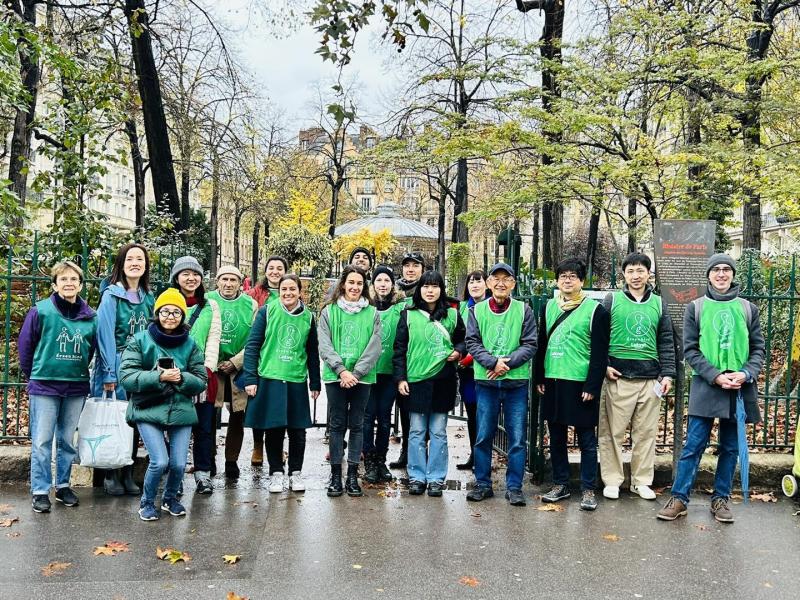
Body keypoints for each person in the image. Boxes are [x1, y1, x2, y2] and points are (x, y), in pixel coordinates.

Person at [658, 253, 765, 524]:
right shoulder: (696, 307)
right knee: (693, 445)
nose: (721, 274)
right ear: (708, 275)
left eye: (726, 270)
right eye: (716, 269)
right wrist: (715, 376)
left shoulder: (748, 309)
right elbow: (690, 350)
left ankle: (721, 498)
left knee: (729, 448)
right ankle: (679, 498)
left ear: (732, 274)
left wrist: (745, 373)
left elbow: (758, 350)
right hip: (707, 385)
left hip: (738, 388)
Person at [119, 288, 207, 521]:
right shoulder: (140, 340)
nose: (170, 316)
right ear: (157, 313)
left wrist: (181, 378)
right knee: (159, 461)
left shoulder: (191, 344)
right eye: (165, 311)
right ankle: (147, 502)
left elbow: (200, 380)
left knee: (178, 464)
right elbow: (126, 377)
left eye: (176, 312)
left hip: (180, 409)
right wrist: (158, 376)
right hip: (148, 408)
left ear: (182, 316)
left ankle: (170, 499)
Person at [19, 261, 98, 513]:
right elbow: (26, 347)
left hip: (75, 387)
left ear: (81, 285)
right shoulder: (40, 311)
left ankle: (63, 485)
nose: (69, 283)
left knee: (66, 440)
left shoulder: (90, 317)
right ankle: (40, 490)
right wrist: (36, 374)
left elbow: (91, 349)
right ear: (55, 284)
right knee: (42, 440)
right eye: (63, 279)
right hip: (45, 386)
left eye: (74, 279)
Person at [599, 252, 676, 501]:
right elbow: (599, 338)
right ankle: (612, 480)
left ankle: (641, 481)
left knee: (646, 433)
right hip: (618, 378)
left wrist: (667, 374)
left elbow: (666, 341)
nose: (636, 276)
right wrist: (605, 366)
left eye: (640, 270)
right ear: (624, 274)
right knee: (612, 432)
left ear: (648, 274)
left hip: (649, 379)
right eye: (631, 271)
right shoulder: (612, 301)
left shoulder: (659, 303)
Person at [535, 257, 609, 511]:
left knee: (586, 438)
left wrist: (592, 385)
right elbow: (542, 343)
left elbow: (600, 353)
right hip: (554, 379)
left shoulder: (595, 311)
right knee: (556, 436)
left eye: (573, 276)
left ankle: (589, 489)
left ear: (581, 281)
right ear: (557, 280)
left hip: (579, 383)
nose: (567, 280)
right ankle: (561, 484)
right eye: (563, 276)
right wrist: (540, 377)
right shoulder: (548, 307)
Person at [465, 263, 537, 506]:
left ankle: (514, 487)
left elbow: (530, 343)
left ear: (513, 284)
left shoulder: (523, 310)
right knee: (484, 435)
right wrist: (492, 363)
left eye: (506, 279)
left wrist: (506, 364)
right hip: (486, 382)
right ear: (488, 283)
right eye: (496, 278)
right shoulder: (477, 311)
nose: (501, 283)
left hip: (515, 383)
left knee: (517, 437)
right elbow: (472, 342)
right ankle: (483, 483)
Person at [243, 274, 321, 493]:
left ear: (299, 291)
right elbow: (253, 346)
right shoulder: (267, 311)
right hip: (270, 377)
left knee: (298, 430)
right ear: (278, 291)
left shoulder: (308, 316)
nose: (288, 293)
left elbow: (312, 351)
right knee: (274, 428)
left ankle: (295, 472)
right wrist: (250, 378)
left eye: (292, 289)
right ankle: (276, 472)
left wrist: (315, 381)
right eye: (283, 289)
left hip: (296, 378)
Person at [394, 271, 466, 496]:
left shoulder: (452, 315)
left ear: (441, 289)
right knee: (416, 431)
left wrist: (458, 352)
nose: (430, 290)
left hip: (442, 380)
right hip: (416, 381)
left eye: (435, 286)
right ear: (420, 289)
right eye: (426, 286)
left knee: (438, 431)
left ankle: (435, 478)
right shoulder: (408, 315)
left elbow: (463, 339)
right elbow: (399, 350)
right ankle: (416, 476)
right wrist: (401, 378)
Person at [92, 243, 154, 496]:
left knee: (135, 418)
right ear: (121, 263)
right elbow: (104, 333)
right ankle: (111, 472)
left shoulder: (148, 297)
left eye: (140, 259)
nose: (135, 263)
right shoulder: (111, 295)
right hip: (116, 361)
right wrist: (108, 371)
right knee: (115, 417)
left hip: (140, 365)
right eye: (130, 259)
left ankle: (128, 471)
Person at [318, 266, 382, 497]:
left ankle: (353, 475)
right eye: (351, 282)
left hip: (362, 379)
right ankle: (335, 475)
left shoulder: (372, 313)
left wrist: (356, 373)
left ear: (364, 286)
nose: (355, 287)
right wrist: (342, 370)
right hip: (336, 377)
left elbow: (375, 346)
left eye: (359, 283)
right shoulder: (329, 312)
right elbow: (324, 344)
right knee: (336, 425)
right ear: (343, 284)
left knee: (357, 425)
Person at [171, 256, 221, 494]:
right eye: (185, 274)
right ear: (176, 278)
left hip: (203, 374)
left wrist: (207, 368)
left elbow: (214, 338)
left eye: (195, 274)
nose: (191, 278)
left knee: (204, 427)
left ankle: (203, 473)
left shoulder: (210, 305)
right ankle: (176, 476)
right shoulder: (168, 301)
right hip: (174, 374)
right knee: (174, 426)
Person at [207, 265, 258, 479]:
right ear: (217, 281)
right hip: (212, 366)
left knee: (238, 415)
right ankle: (208, 458)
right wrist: (213, 360)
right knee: (209, 415)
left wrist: (236, 362)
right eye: (224, 279)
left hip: (238, 368)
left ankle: (231, 460)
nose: (228, 284)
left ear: (240, 283)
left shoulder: (250, 304)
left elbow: (256, 338)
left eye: (233, 280)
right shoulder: (207, 300)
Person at [363, 265, 404, 483]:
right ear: (373, 284)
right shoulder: (365, 308)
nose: (383, 284)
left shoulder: (400, 309)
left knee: (384, 418)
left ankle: (381, 460)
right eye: (379, 280)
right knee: (367, 418)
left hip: (389, 373)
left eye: (387, 281)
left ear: (392, 284)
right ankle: (369, 460)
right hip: (368, 372)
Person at [247, 255, 288, 465]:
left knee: (279, 408)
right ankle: (257, 446)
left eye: (279, 268)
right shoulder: (254, 294)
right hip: (262, 357)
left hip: (282, 359)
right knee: (259, 405)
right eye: (271, 268)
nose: (275, 272)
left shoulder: (289, 292)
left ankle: (277, 448)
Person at [390, 251, 426, 469]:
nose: (410, 269)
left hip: (420, 361)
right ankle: (406, 451)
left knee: (422, 411)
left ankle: (421, 451)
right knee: (404, 409)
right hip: (397, 358)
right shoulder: (395, 292)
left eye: (415, 265)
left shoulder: (427, 291)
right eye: (407, 265)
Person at [457, 270, 490, 470]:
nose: (474, 285)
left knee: (485, 414)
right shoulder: (462, 308)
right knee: (472, 412)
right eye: (471, 281)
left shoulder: (492, 307)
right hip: (467, 373)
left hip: (486, 369)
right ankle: (474, 454)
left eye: (478, 281)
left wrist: (470, 358)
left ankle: (485, 456)